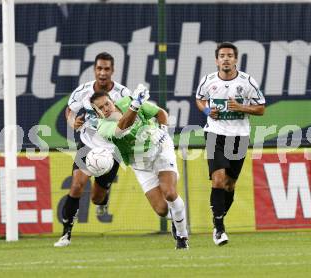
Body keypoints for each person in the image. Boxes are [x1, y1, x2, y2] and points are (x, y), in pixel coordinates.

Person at [90, 85, 189, 249]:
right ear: (97, 113)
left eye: (107, 104)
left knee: (170, 193)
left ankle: (182, 237)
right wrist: (135, 104)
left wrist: (163, 131)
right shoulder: (102, 126)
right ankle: (177, 219)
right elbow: (121, 128)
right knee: (162, 210)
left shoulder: (128, 101)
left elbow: (160, 113)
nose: (105, 109)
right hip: (140, 164)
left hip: (160, 151)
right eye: (100, 108)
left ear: (112, 101)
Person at [54, 52, 131, 247]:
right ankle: (66, 234)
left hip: (112, 149)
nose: (102, 72)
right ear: (94, 70)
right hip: (88, 144)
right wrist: (73, 121)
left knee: (97, 198)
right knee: (76, 185)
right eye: (99, 68)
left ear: (112, 71)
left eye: (106, 69)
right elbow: (70, 110)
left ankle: (104, 200)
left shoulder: (122, 94)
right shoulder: (83, 91)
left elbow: (131, 117)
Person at [195, 42, 265, 246]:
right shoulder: (208, 80)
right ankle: (219, 229)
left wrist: (242, 107)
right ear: (217, 60)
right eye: (222, 56)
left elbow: (261, 108)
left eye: (229, 56)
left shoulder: (247, 82)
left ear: (235, 59)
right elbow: (199, 99)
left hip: (239, 136)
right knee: (218, 180)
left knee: (229, 184)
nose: (226, 59)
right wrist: (207, 111)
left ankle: (218, 218)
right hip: (215, 134)